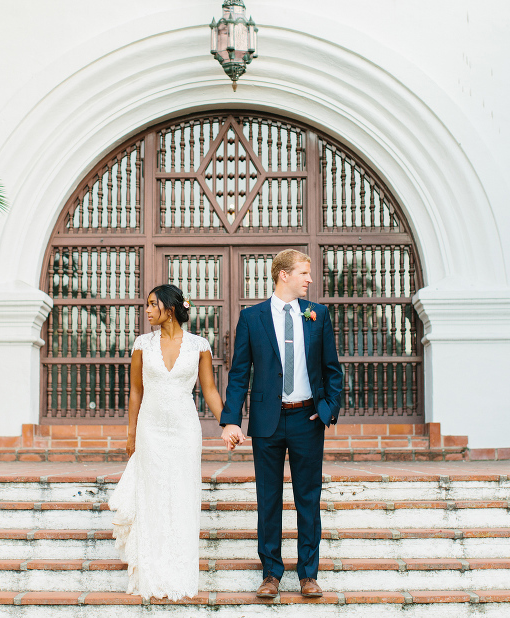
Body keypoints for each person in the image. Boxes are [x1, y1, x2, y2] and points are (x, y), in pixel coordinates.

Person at [219, 249, 343, 599]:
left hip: (307, 418)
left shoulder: (318, 314)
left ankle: (308, 575)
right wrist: (231, 420)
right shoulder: (252, 317)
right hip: (266, 420)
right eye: (304, 272)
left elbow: (332, 368)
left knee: (309, 497)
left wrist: (329, 407)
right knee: (268, 498)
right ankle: (271, 573)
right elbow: (240, 372)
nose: (310, 279)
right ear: (283, 275)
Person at [107, 284, 224, 600]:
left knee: (182, 497)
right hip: (151, 430)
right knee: (153, 497)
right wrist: (131, 434)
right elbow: (135, 392)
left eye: (151, 304)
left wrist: (228, 423)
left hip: (185, 430)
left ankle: (179, 572)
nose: (146, 310)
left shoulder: (199, 345)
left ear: (169, 309)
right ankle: (152, 573)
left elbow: (210, 390)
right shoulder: (142, 344)